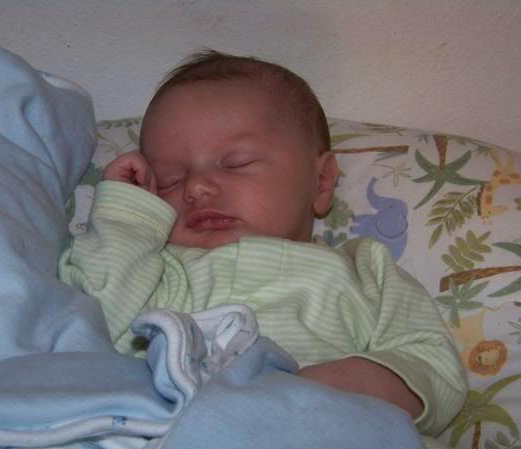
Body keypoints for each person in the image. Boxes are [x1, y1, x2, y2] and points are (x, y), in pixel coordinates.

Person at [59, 50, 467, 439]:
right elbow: (86, 333)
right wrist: (128, 219)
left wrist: (330, 385)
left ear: (321, 182)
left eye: (236, 163)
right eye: (169, 179)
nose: (197, 187)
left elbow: (434, 367)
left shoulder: (364, 271)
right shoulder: (155, 267)